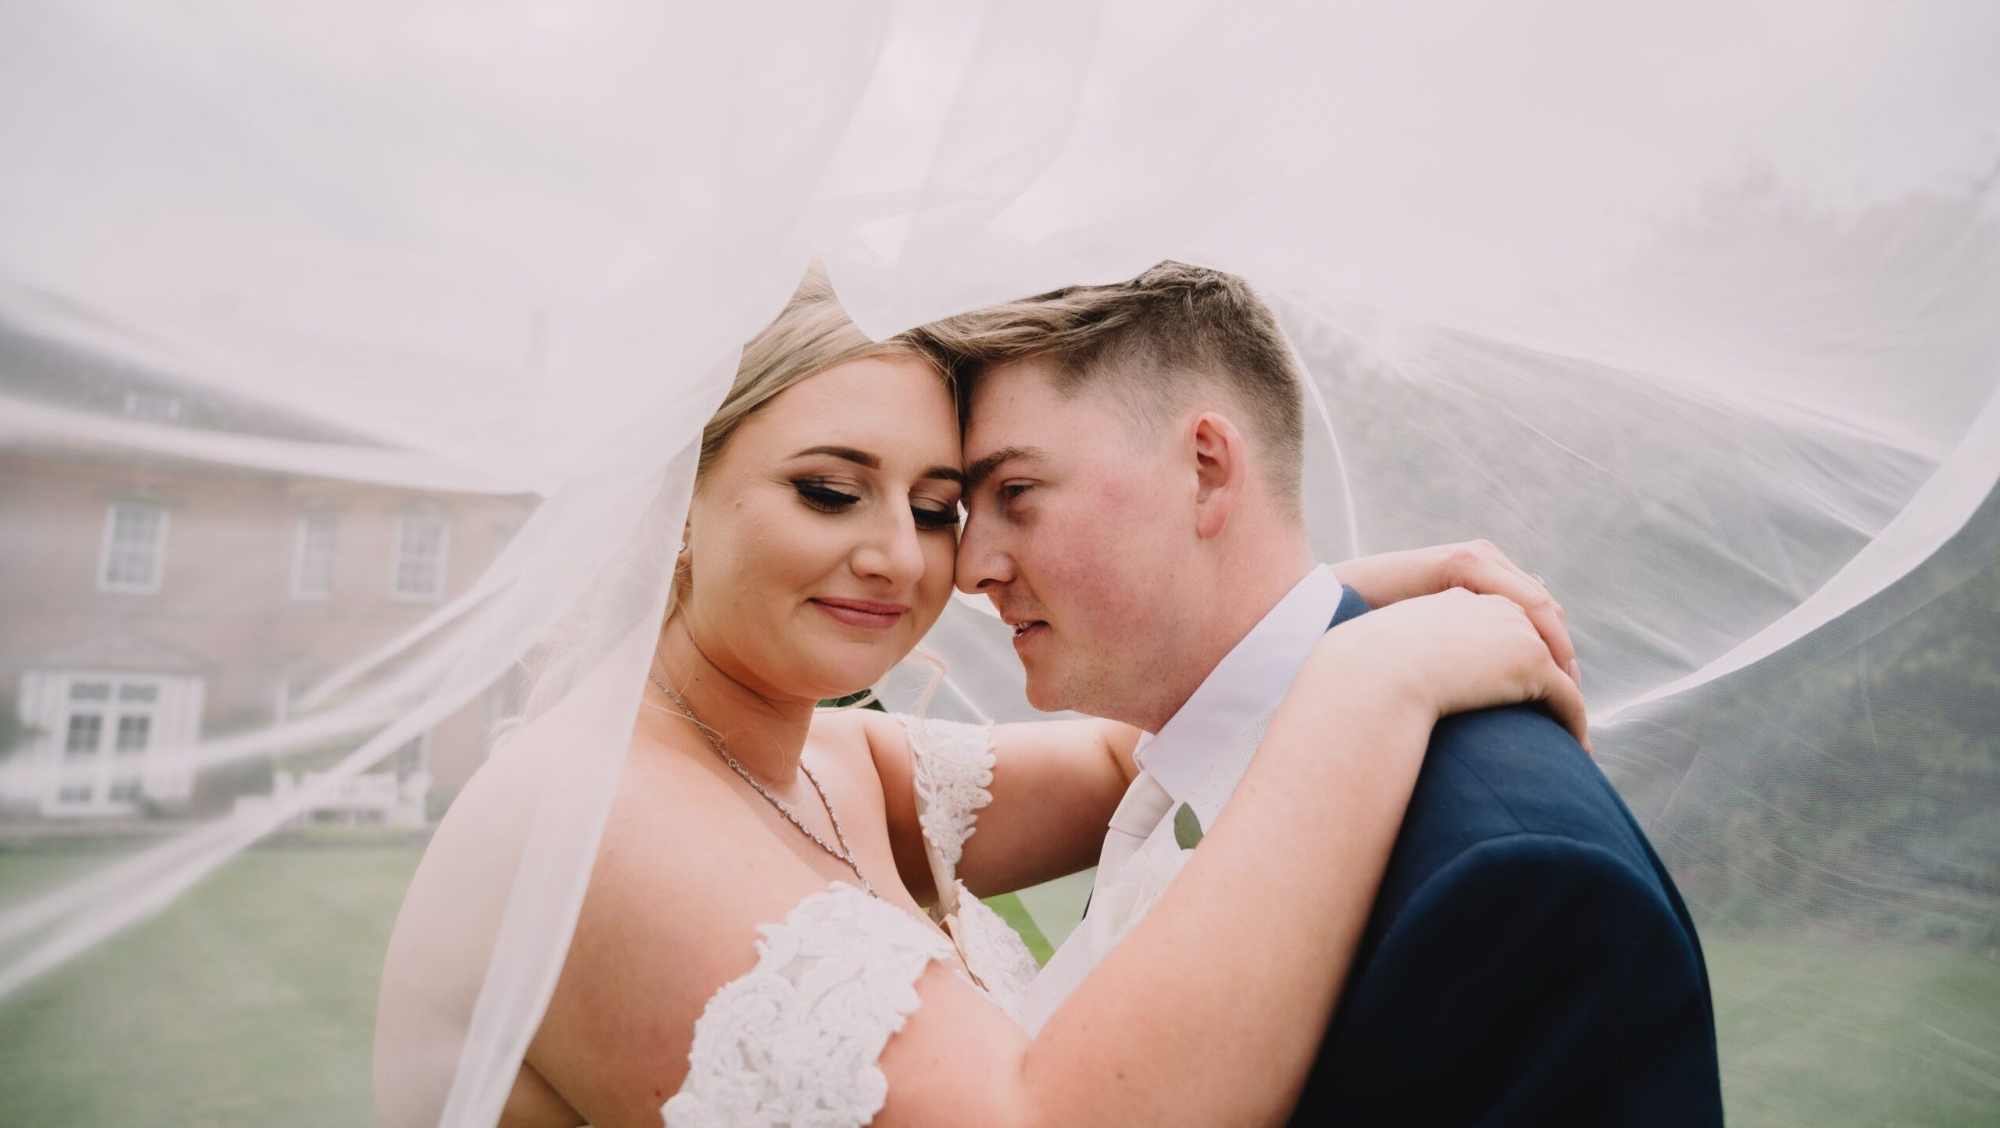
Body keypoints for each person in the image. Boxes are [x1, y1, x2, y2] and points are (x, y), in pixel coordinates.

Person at [376, 264, 1587, 1127]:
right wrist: (1374, 680)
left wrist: (1340, 596)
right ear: (678, 504)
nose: (903, 559)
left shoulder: (842, 769)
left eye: (934, 505)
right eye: (827, 490)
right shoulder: (588, 816)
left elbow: (1139, 751)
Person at [921, 261, 1725, 1125]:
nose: (972, 568)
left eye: (1016, 494)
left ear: (1205, 468)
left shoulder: (1513, 877)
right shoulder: (1180, 761)